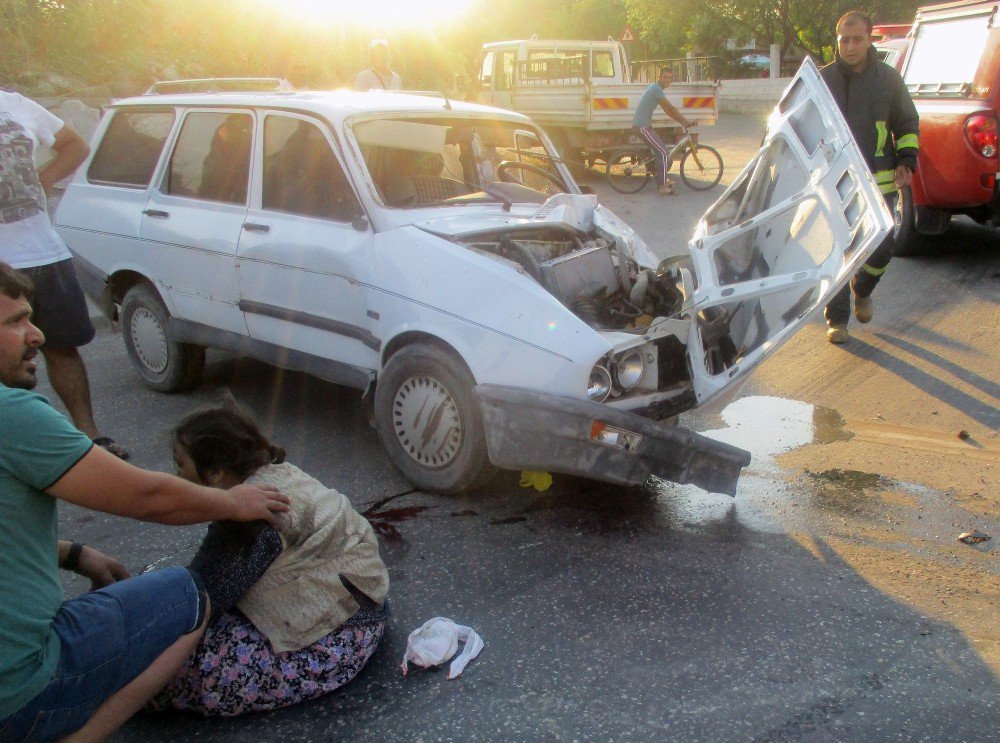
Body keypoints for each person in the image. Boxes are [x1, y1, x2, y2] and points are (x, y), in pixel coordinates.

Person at [0, 261, 290, 742]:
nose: (36, 335)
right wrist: (233, 503)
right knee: (188, 594)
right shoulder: (12, 417)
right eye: (14, 322)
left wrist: (75, 553)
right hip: (18, 693)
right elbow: (145, 496)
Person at [148, 403, 389, 716]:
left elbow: (205, 599)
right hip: (369, 609)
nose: (177, 475)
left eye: (181, 465)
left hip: (333, 643)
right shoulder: (279, 474)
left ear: (215, 473)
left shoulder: (249, 518)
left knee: (165, 668)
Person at [0, 90, 128, 458]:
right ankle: (18, 446)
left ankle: (89, 437)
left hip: (44, 251)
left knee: (62, 347)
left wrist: (46, 177)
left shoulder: (15, 104)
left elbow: (74, 145)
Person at [821, 10, 919, 344]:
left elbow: (906, 123)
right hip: (835, 183)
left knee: (882, 248)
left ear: (869, 39)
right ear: (837, 40)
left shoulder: (889, 80)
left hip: (880, 182)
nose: (850, 46)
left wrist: (907, 158)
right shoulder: (823, 80)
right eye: (844, 40)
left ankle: (862, 289)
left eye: (857, 39)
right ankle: (838, 320)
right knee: (838, 251)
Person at [632, 66, 695, 196]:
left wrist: (682, 122)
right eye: (665, 77)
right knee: (663, 152)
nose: (668, 80)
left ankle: (661, 178)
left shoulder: (656, 89)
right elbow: (670, 108)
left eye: (670, 78)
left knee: (659, 151)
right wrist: (685, 122)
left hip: (644, 126)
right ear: (659, 77)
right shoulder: (656, 90)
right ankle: (662, 186)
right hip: (642, 127)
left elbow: (667, 110)